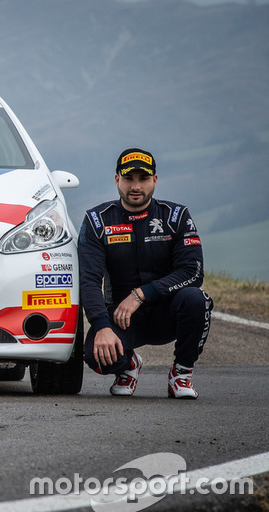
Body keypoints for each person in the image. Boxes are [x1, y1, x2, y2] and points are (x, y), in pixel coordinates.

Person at [78, 148, 213, 399]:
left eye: (143, 179)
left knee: (197, 299)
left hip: (167, 312)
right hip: (121, 318)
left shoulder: (176, 217)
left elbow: (193, 271)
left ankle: (181, 374)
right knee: (95, 357)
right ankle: (129, 365)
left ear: (155, 180)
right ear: (117, 179)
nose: (136, 186)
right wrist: (101, 326)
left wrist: (141, 294)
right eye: (129, 179)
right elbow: (88, 281)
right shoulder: (97, 221)